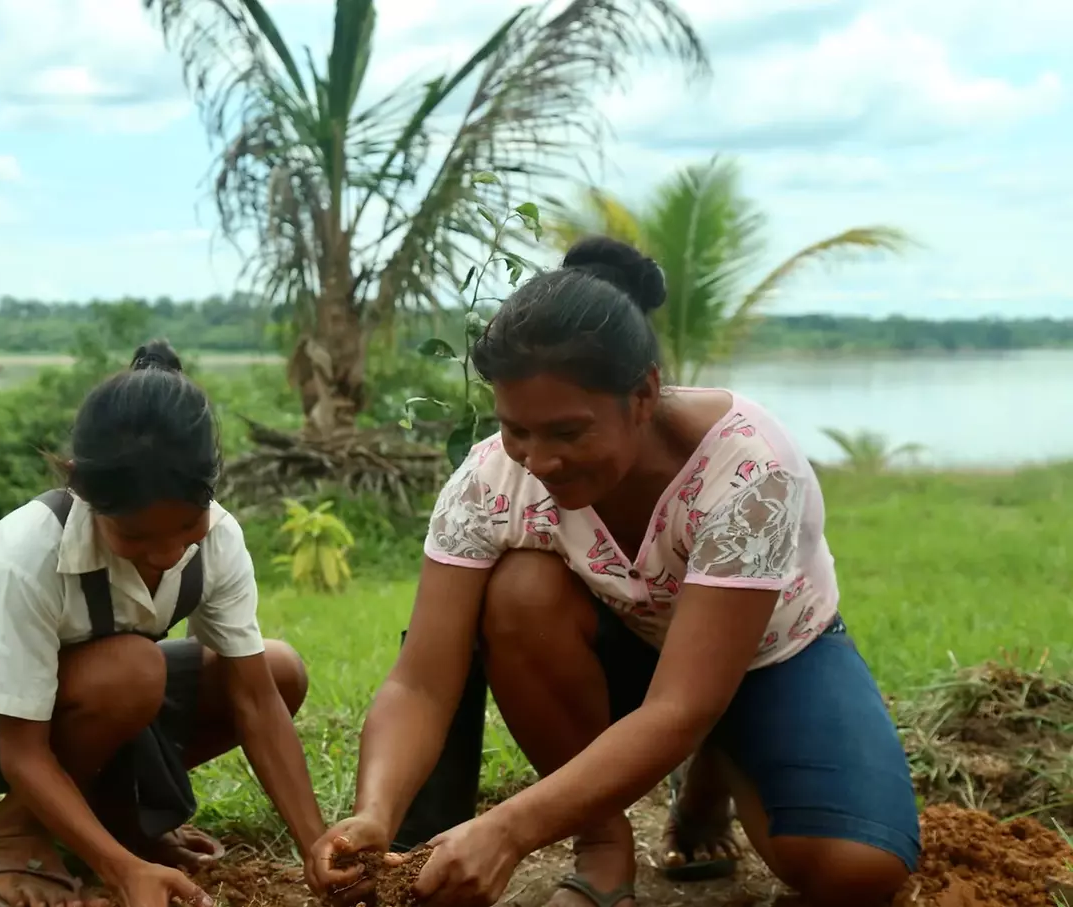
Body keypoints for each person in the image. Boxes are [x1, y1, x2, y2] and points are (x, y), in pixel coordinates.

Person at [308, 238, 920, 907]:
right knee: (520, 591)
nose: (538, 460)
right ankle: (602, 846)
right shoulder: (490, 477)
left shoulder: (749, 471)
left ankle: (713, 776)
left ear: (644, 394)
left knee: (856, 869)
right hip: (635, 654)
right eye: (517, 430)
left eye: (568, 432)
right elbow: (422, 682)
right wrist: (374, 812)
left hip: (771, 659)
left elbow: (679, 707)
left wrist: (507, 831)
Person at [0, 341, 325, 907]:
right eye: (137, 538)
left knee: (279, 670)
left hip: (93, 697)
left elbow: (255, 700)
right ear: (82, 489)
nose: (167, 554)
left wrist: (319, 850)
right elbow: (20, 749)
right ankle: (11, 832)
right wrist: (123, 871)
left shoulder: (219, 539)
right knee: (131, 670)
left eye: (186, 529)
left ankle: (117, 813)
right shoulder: (25, 556)